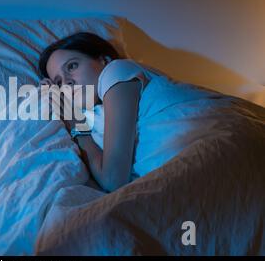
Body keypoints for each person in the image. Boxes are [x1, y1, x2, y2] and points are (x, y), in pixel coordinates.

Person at [38, 32, 263, 193]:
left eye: (72, 66)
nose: (66, 81)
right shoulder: (93, 117)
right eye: (58, 81)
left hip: (230, 141)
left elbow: (112, 179)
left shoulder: (115, 72)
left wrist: (77, 125)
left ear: (102, 59)